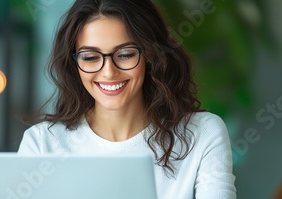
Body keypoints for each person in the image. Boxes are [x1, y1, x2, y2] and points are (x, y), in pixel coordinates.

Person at [18, 0, 236, 198]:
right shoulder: (41, 144)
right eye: (91, 57)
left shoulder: (203, 134)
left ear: (150, 54)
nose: (109, 72)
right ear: (75, 64)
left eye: (125, 54)